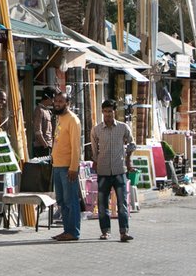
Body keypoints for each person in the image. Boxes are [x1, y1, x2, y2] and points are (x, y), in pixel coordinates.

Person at [91, 99, 135, 242]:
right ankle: (105, 231)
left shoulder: (123, 128)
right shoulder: (96, 129)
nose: (108, 114)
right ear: (102, 112)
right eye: (105, 111)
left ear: (114, 112)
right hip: (103, 171)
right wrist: (95, 162)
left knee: (122, 203)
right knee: (103, 203)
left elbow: (132, 144)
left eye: (110, 111)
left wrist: (128, 160)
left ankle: (124, 232)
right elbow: (93, 149)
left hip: (119, 170)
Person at [49, 89, 82, 242]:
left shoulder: (73, 120)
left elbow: (76, 147)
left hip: (68, 168)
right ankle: (66, 230)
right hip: (57, 166)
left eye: (61, 101)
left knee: (70, 201)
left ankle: (73, 232)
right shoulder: (60, 118)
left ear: (68, 103)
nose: (57, 104)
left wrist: (74, 167)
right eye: (56, 101)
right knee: (62, 201)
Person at [30, 87, 55, 158]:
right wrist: (45, 145)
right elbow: (37, 131)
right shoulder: (39, 110)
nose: (53, 101)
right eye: (53, 99)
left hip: (48, 145)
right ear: (48, 97)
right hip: (42, 147)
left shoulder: (47, 111)